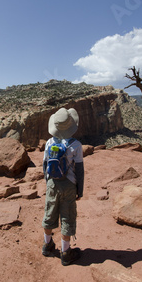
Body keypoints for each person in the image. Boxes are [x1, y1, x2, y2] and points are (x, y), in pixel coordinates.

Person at [41, 107, 84, 266]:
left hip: (52, 183)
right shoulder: (76, 145)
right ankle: (66, 253)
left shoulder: (49, 142)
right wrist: (79, 190)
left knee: (49, 213)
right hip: (69, 186)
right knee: (67, 216)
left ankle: (47, 245)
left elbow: (45, 166)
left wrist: (49, 184)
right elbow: (79, 170)